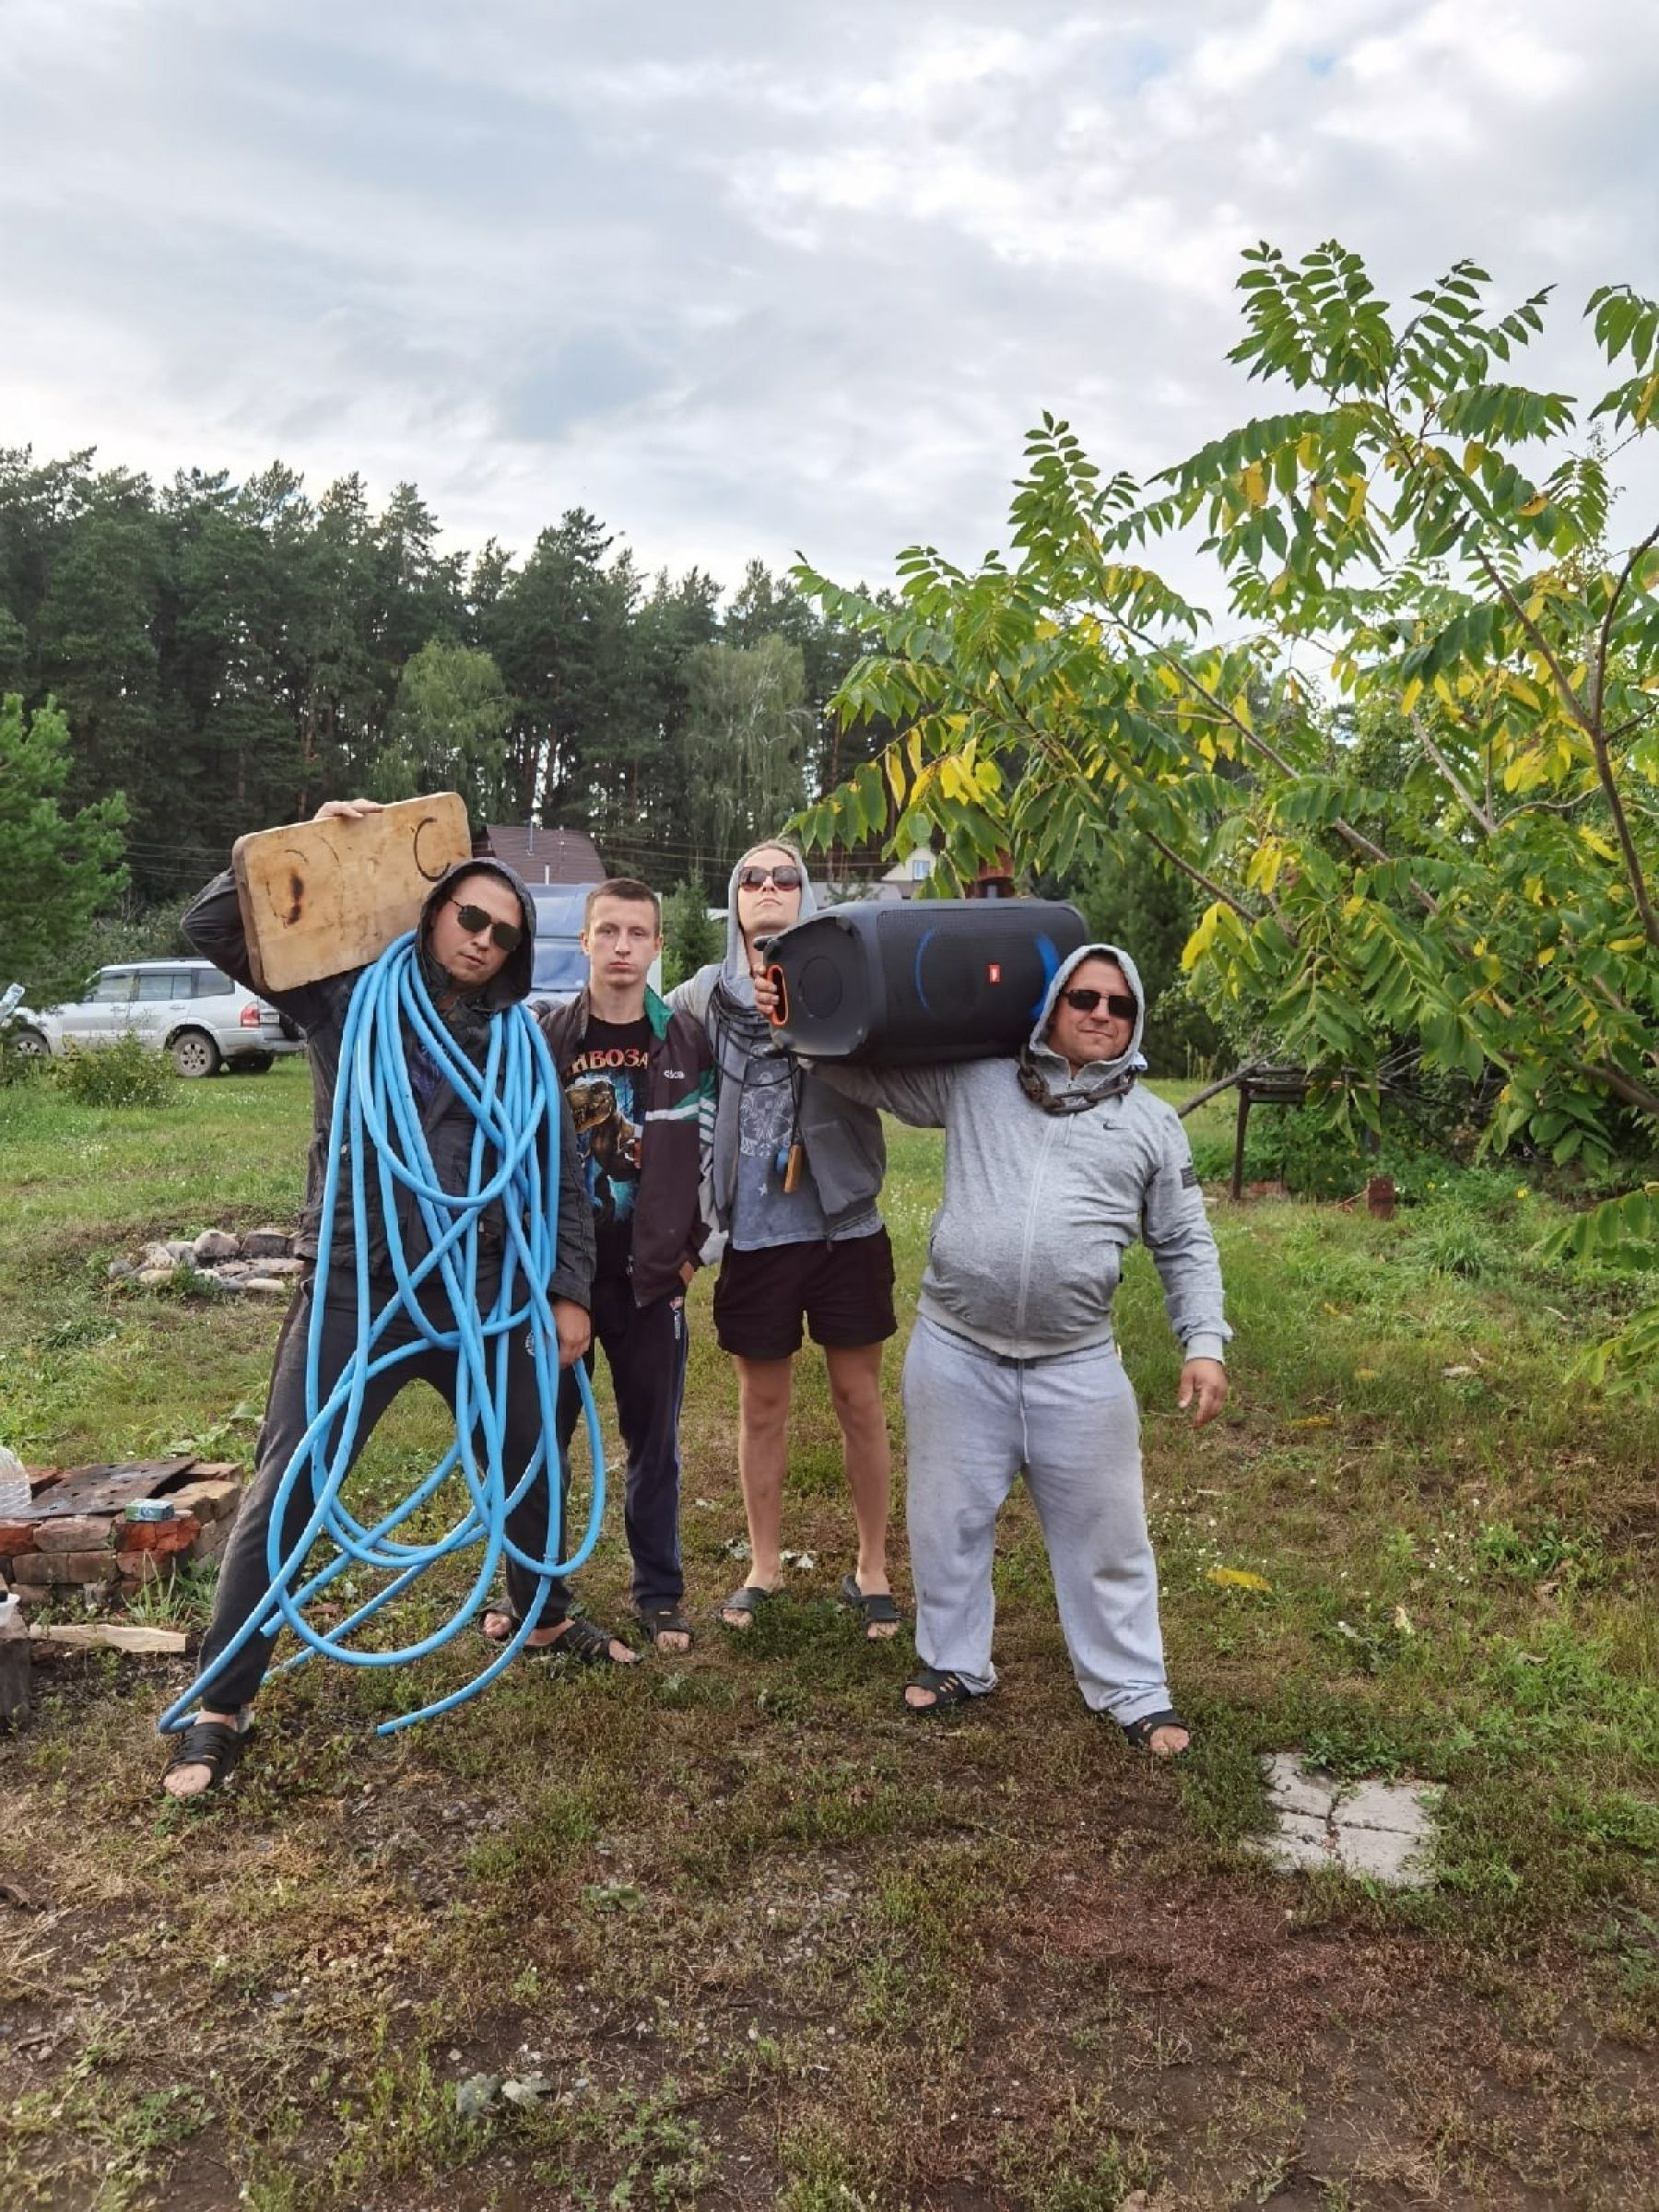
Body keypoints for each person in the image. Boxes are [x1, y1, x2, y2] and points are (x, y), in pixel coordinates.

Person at [161, 799, 598, 1798]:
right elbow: (214, 928)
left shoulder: (523, 1045)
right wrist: (316, 843)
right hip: (360, 1286)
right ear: (434, 914)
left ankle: (543, 1611)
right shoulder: (346, 1001)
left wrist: (568, 1293)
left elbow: (561, 1175)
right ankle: (219, 1703)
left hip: (481, 1294)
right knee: (290, 1485)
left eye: (504, 932)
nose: (483, 941)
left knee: (526, 1453)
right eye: (469, 919)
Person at [794, 943, 1230, 1755]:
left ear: (1135, 1023)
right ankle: (954, 1663)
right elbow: (871, 1077)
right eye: (1084, 998)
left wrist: (1202, 1341)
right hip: (958, 1351)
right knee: (946, 1520)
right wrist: (801, 1026)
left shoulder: (1150, 1123)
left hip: (1078, 1363)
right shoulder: (980, 1080)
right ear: (1054, 1004)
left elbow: (1183, 1240)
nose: (1100, 1014)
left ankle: (1135, 1690)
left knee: (1109, 1533)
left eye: (1119, 1005)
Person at [669, 841, 900, 1638]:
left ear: (810, 898)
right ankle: (763, 1566)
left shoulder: (844, 983)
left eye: (786, 878)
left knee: (858, 1401)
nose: (769, 888)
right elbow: (625, 1026)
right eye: (753, 879)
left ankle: (871, 1567)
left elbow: (895, 1063)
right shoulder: (702, 998)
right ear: (735, 900)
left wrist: (808, 1019)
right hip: (756, 1235)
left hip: (845, 1227)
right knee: (761, 1405)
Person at [484, 878, 714, 1656]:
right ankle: (528, 1592)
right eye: (607, 931)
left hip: (652, 1281)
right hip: (559, 1283)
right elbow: (507, 1152)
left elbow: (713, 1149)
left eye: (638, 933)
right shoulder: (546, 1036)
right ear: (583, 942)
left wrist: (691, 1251)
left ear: (656, 947)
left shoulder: (685, 1038)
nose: (622, 946)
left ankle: (660, 1592)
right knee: (536, 1440)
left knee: (655, 1443)